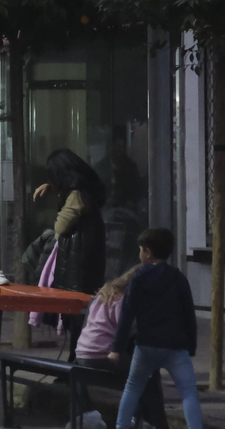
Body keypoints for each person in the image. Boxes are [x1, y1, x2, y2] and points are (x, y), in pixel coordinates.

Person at [114, 228, 201, 429]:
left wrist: (117, 347)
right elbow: (189, 314)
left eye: (140, 250)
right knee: (188, 393)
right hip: (176, 346)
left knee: (133, 388)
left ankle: (121, 427)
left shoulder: (138, 278)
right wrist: (191, 346)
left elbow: (127, 314)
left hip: (146, 345)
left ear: (147, 252)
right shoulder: (178, 278)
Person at [74, 265, 168, 429]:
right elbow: (127, 330)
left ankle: (143, 422)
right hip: (102, 355)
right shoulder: (124, 300)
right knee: (149, 374)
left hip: (82, 353)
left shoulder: (105, 293)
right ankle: (152, 424)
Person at [34, 148, 108, 314]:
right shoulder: (87, 188)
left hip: (78, 261)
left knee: (75, 312)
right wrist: (54, 188)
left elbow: (60, 226)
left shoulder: (77, 195)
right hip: (86, 258)